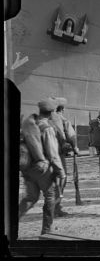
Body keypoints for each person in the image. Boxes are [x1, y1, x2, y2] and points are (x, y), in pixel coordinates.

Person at [19, 99, 66, 235]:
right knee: (50, 196)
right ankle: (47, 229)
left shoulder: (29, 124)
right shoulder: (47, 128)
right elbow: (52, 154)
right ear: (51, 113)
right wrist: (61, 171)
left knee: (30, 198)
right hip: (42, 169)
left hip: (27, 168)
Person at [49, 97, 78, 216]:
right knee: (61, 178)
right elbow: (70, 135)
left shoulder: (45, 117)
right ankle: (56, 207)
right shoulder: (60, 118)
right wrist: (75, 147)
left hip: (44, 154)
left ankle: (50, 206)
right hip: (57, 154)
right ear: (62, 109)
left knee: (50, 181)